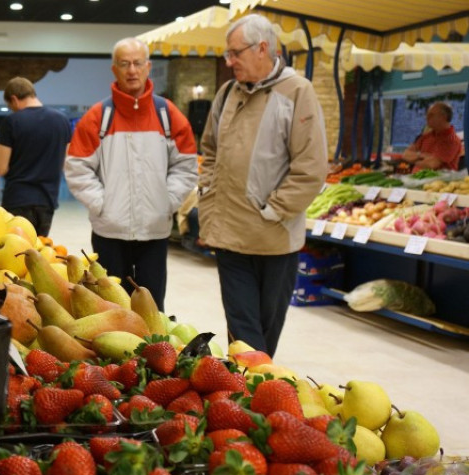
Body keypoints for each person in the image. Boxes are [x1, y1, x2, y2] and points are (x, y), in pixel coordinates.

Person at [196, 14, 328, 358]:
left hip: (274, 238)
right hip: (229, 236)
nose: (230, 61)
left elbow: (311, 168)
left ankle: (260, 394)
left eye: (236, 53)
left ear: (263, 49)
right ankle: (247, 394)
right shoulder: (227, 94)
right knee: (242, 333)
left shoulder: (298, 92)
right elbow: (208, 150)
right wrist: (208, 194)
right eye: (228, 54)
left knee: (266, 332)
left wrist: (273, 210)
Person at [64, 38, 198, 309]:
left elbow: (186, 166)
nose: (132, 70)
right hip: (109, 232)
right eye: (124, 64)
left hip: (154, 233)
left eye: (138, 63)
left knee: (152, 307)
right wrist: (103, 205)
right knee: (110, 306)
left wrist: (166, 202)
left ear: (148, 67)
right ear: (115, 69)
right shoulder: (97, 118)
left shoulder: (168, 115)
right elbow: (77, 168)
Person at [0, 77, 72, 237]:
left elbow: (0, 168)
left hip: (17, 199)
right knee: (40, 252)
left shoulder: (11, 122)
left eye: (10, 106)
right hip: (47, 199)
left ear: (14, 99)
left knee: (15, 253)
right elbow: (67, 163)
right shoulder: (62, 120)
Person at [402, 102, 462, 171]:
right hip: (416, 179)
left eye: (431, 115)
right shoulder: (425, 136)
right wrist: (422, 156)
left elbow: (433, 164)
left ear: (443, 117)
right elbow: (405, 154)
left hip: (437, 181)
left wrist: (413, 158)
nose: (426, 118)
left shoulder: (452, 140)